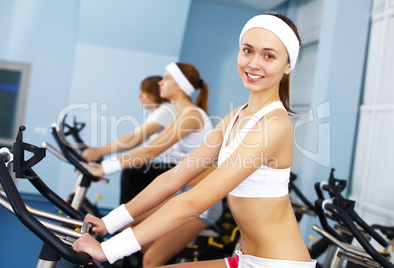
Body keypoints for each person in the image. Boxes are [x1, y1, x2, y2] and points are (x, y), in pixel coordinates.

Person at [73, 13, 317, 268]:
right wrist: (111, 222)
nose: (254, 63)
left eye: (269, 55)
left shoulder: (274, 125)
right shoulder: (236, 116)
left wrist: (108, 249)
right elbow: (174, 176)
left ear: (288, 65)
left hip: (279, 263)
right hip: (246, 259)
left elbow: (194, 202)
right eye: (248, 50)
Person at [86, 62, 221, 267]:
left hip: (202, 201)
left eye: (166, 78)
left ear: (180, 85)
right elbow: (148, 146)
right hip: (182, 193)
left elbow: (150, 151)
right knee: (129, 226)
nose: (160, 82)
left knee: (150, 260)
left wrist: (105, 167)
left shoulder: (192, 116)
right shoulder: (184, 115)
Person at [81, 75, 177, 203]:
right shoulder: (160, 113)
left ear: (155, 92)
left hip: (179, 167)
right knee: (134, 172)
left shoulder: (165, 110)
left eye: (144, 91)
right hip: (175, 165)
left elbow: (135, 139)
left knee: (131, 174)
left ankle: (127, 221)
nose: (139, 96)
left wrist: (99, 152)